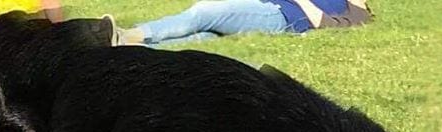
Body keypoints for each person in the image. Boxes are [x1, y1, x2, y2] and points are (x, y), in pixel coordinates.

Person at [113, 0, 372, 46]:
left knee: (204, 12)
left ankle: (131, 35)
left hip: (278, 14)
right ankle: (129, 51)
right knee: (204, 36)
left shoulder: (357, 13)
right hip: (262, 6)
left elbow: (323, 23)